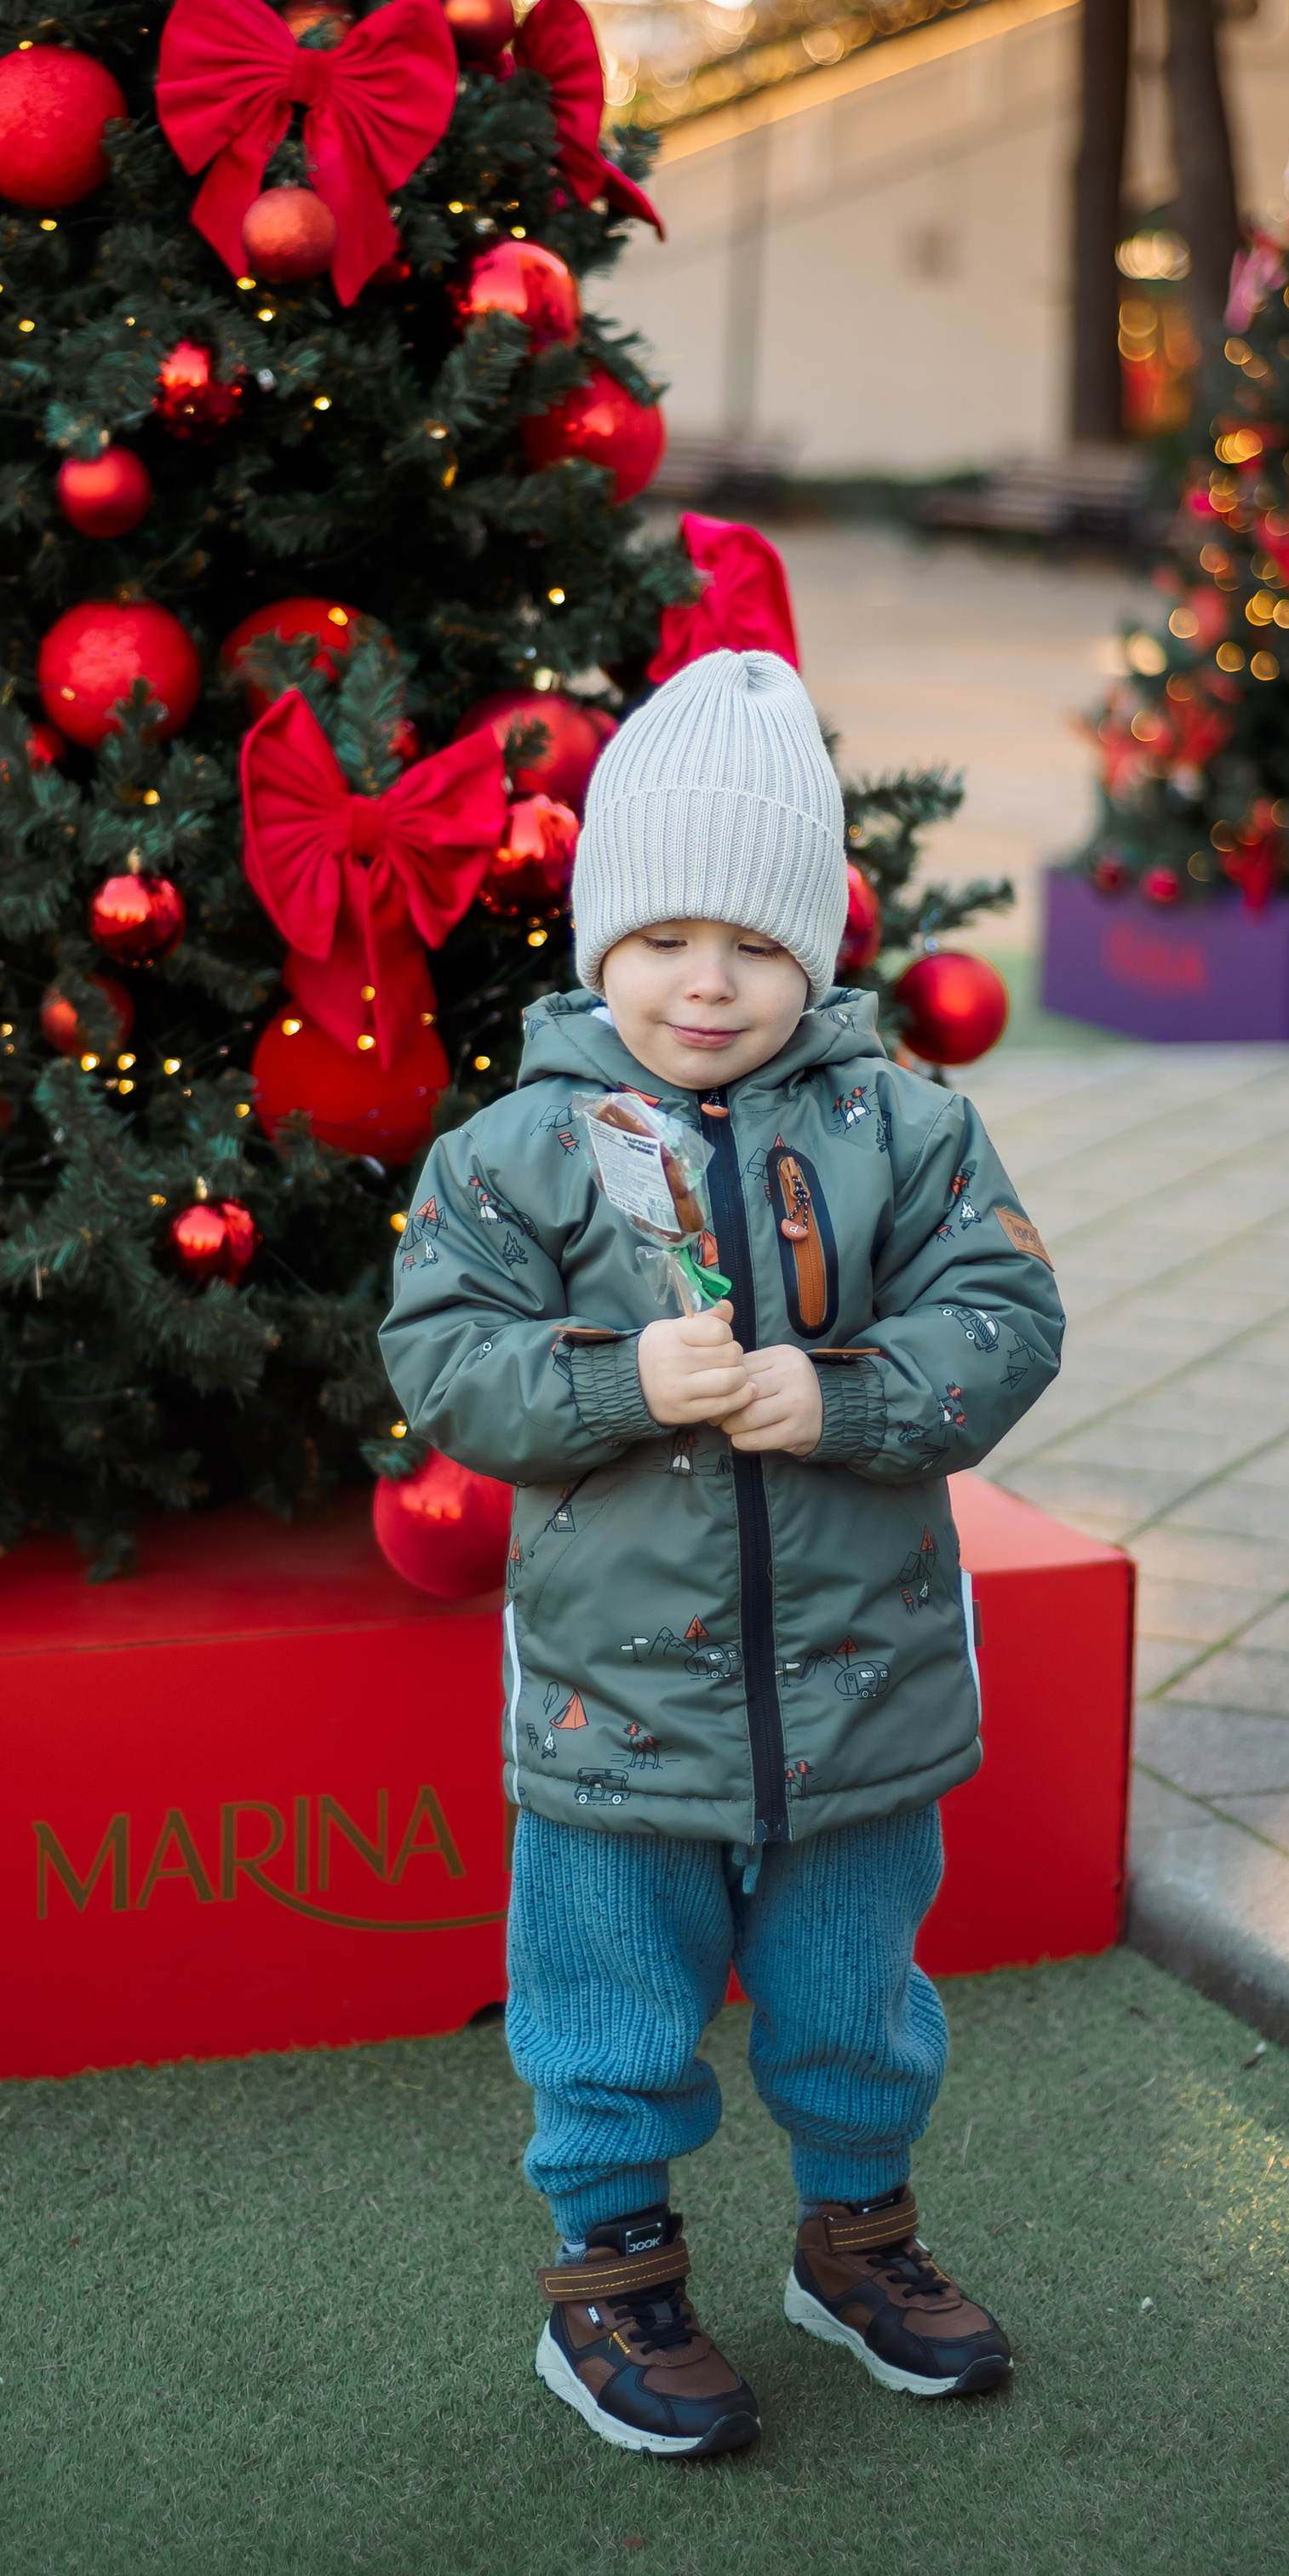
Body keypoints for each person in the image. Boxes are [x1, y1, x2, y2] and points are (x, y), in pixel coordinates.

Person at [381, 647, 1065, 2458]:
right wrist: (615, 1377)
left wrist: (837, 1396)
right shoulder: (514, 1149)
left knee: (855, 2000)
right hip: (618, 1714)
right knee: (604, 2008)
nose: (707, 978)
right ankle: (610, 2274)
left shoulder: (903, 1127)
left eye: (755, 944)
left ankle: (855, 2239)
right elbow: (443, 1359)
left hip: (861, 1690)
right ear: (601, 929)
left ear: (813, 953)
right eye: (666, 932)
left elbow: (1003, 1314)